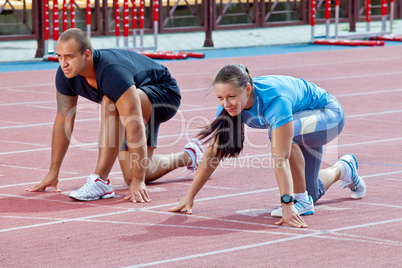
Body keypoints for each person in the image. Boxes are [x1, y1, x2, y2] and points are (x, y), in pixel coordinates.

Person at [170, 64, 366, 228]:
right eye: (220, 97)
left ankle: (302, 202)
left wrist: (287, 203)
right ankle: (344, 168)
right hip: (302, 124)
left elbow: (280, 157)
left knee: (279, 137)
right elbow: (214, 152)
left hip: (328, 116)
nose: (226, 103)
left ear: (247, 89)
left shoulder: (276, 100)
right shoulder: (228, 107)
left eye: (231, 97)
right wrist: (190, 196)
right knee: (311, 191)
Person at [26, 28, 205, 203]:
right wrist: (53, 172)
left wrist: (138, 181)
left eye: (69, 56)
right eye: (59, 56)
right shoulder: (65, 74)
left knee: (110, 102)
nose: (63, 63)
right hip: (134, 96)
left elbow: (134, 125)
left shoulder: (111, 72)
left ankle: (100, 180)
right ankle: (190, 155)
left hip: (164, 93)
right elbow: (63, 120)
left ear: (86, 55)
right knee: (134, 172)